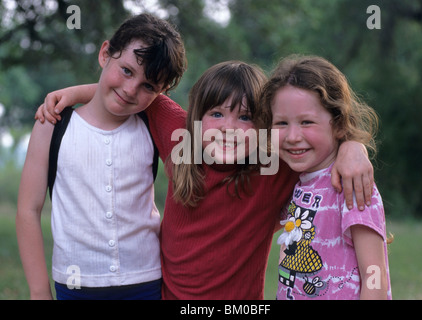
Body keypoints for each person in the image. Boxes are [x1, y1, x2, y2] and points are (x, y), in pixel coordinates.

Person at [36, 60, 374, 299]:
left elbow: (317, 142)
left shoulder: (272, 164)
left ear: (263, 128)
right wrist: (73, 93)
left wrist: (352, 147)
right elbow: (131, 94)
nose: (228, 128)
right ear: (196, 119)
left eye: (245, 117)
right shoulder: (180, 137)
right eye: (216, 114)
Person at [16, 13, 187, 300]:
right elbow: (28, 210)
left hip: (146, 283)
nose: (131, 89)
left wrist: (80, 90)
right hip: (74, 286)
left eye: (149, 86)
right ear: (105, 53)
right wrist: (38, 291)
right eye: (127, 71)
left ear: (161, 93)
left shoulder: (152, 125)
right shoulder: (52, 125)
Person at [259, 55, 391, 299]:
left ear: (339, 125)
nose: (292, 136)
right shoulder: (296, 181)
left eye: (306, 122)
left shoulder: (352, 184)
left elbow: (375, 278)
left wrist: (354, 147)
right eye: (281, 123)